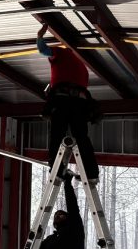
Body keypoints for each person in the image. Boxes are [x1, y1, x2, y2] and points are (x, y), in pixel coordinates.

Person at [36, 25, 99, 180]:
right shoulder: (82, 66)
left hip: (62, 101)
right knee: (81, 137)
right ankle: (91, 173)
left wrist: (39, 36)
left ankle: (56, 171)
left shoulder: (61, 52)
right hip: (80, 104)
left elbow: (42, 49)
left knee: (57, 136)